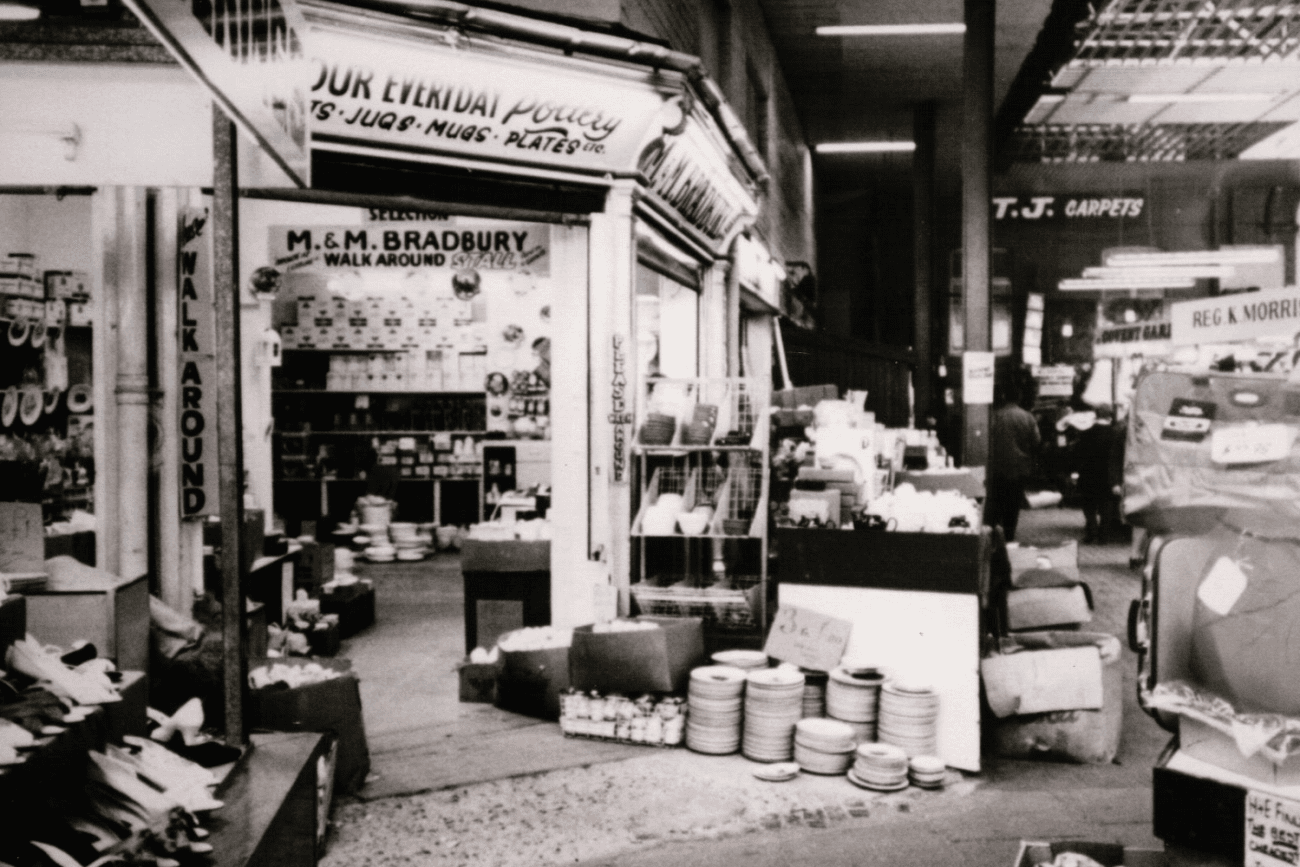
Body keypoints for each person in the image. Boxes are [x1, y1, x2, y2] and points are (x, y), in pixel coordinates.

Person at [985, 383, 1040, 542]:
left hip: (997, 466)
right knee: (1013, 504)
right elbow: (1036, 440)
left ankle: (996, 535)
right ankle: (1009, 536)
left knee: (997, 502)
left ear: (1004, 397)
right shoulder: (1028, 417)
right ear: (1019, 398)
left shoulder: (995, 415)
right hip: (1020, 467)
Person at [1073, 403, 1123, 543]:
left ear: (1096, 414)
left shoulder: (1086, 433)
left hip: (1088, 473)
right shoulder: (1115, 434)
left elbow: (1078, 454)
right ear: (1110, 416)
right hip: (1108, 475)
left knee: (1089, 505)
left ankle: (1091, 531)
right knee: (1106, 505)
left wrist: (1076, 471)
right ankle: (1103, 535)